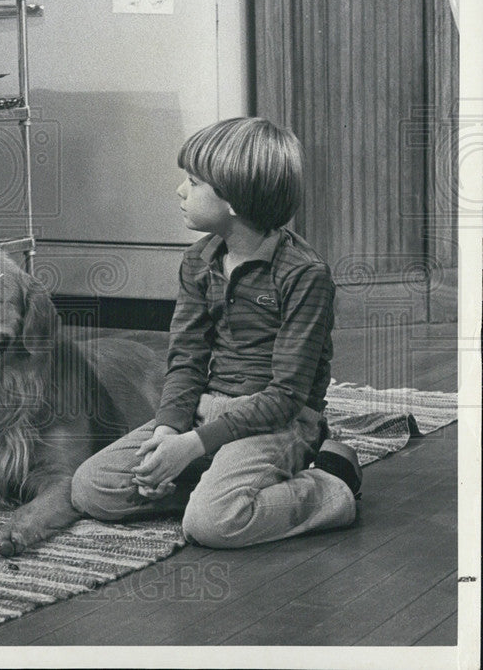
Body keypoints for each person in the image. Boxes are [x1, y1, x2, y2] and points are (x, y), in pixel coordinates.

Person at [71, 117, 362, 548]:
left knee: (213, 526)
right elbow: (185, 359)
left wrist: (191, 447)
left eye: (192, 182)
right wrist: (169, 431)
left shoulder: (305, 275)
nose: (180, 191)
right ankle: (213, 488)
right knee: (91, 489)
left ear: (234, 200)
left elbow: (285, 398)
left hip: (280, 423)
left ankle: (332, 486)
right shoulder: (198, 261)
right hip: (206, 413)